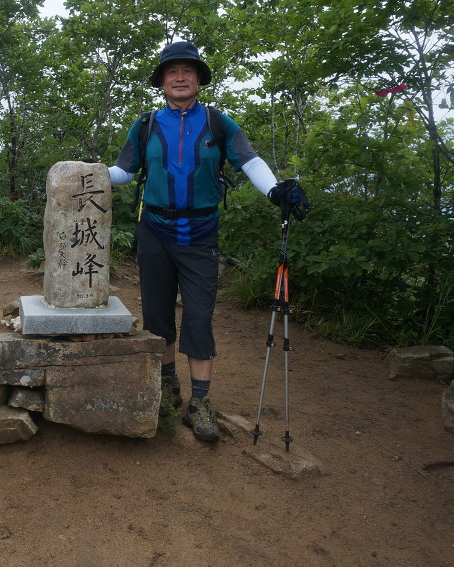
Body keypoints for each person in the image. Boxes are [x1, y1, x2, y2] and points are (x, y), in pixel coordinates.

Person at [108, 41, 306, 442]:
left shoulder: (219, 123)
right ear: (162, 81)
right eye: (172, 71)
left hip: (200, 234)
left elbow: (249, 160)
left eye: (188, 71)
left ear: (198, 79)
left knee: (199, 316)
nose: (180, 77)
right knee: (158, 315)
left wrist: (275, 190)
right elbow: (124, 171)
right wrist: (87, 172)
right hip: (154, 230)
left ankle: (199, 402)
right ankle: (168, 386)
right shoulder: (145, 125)